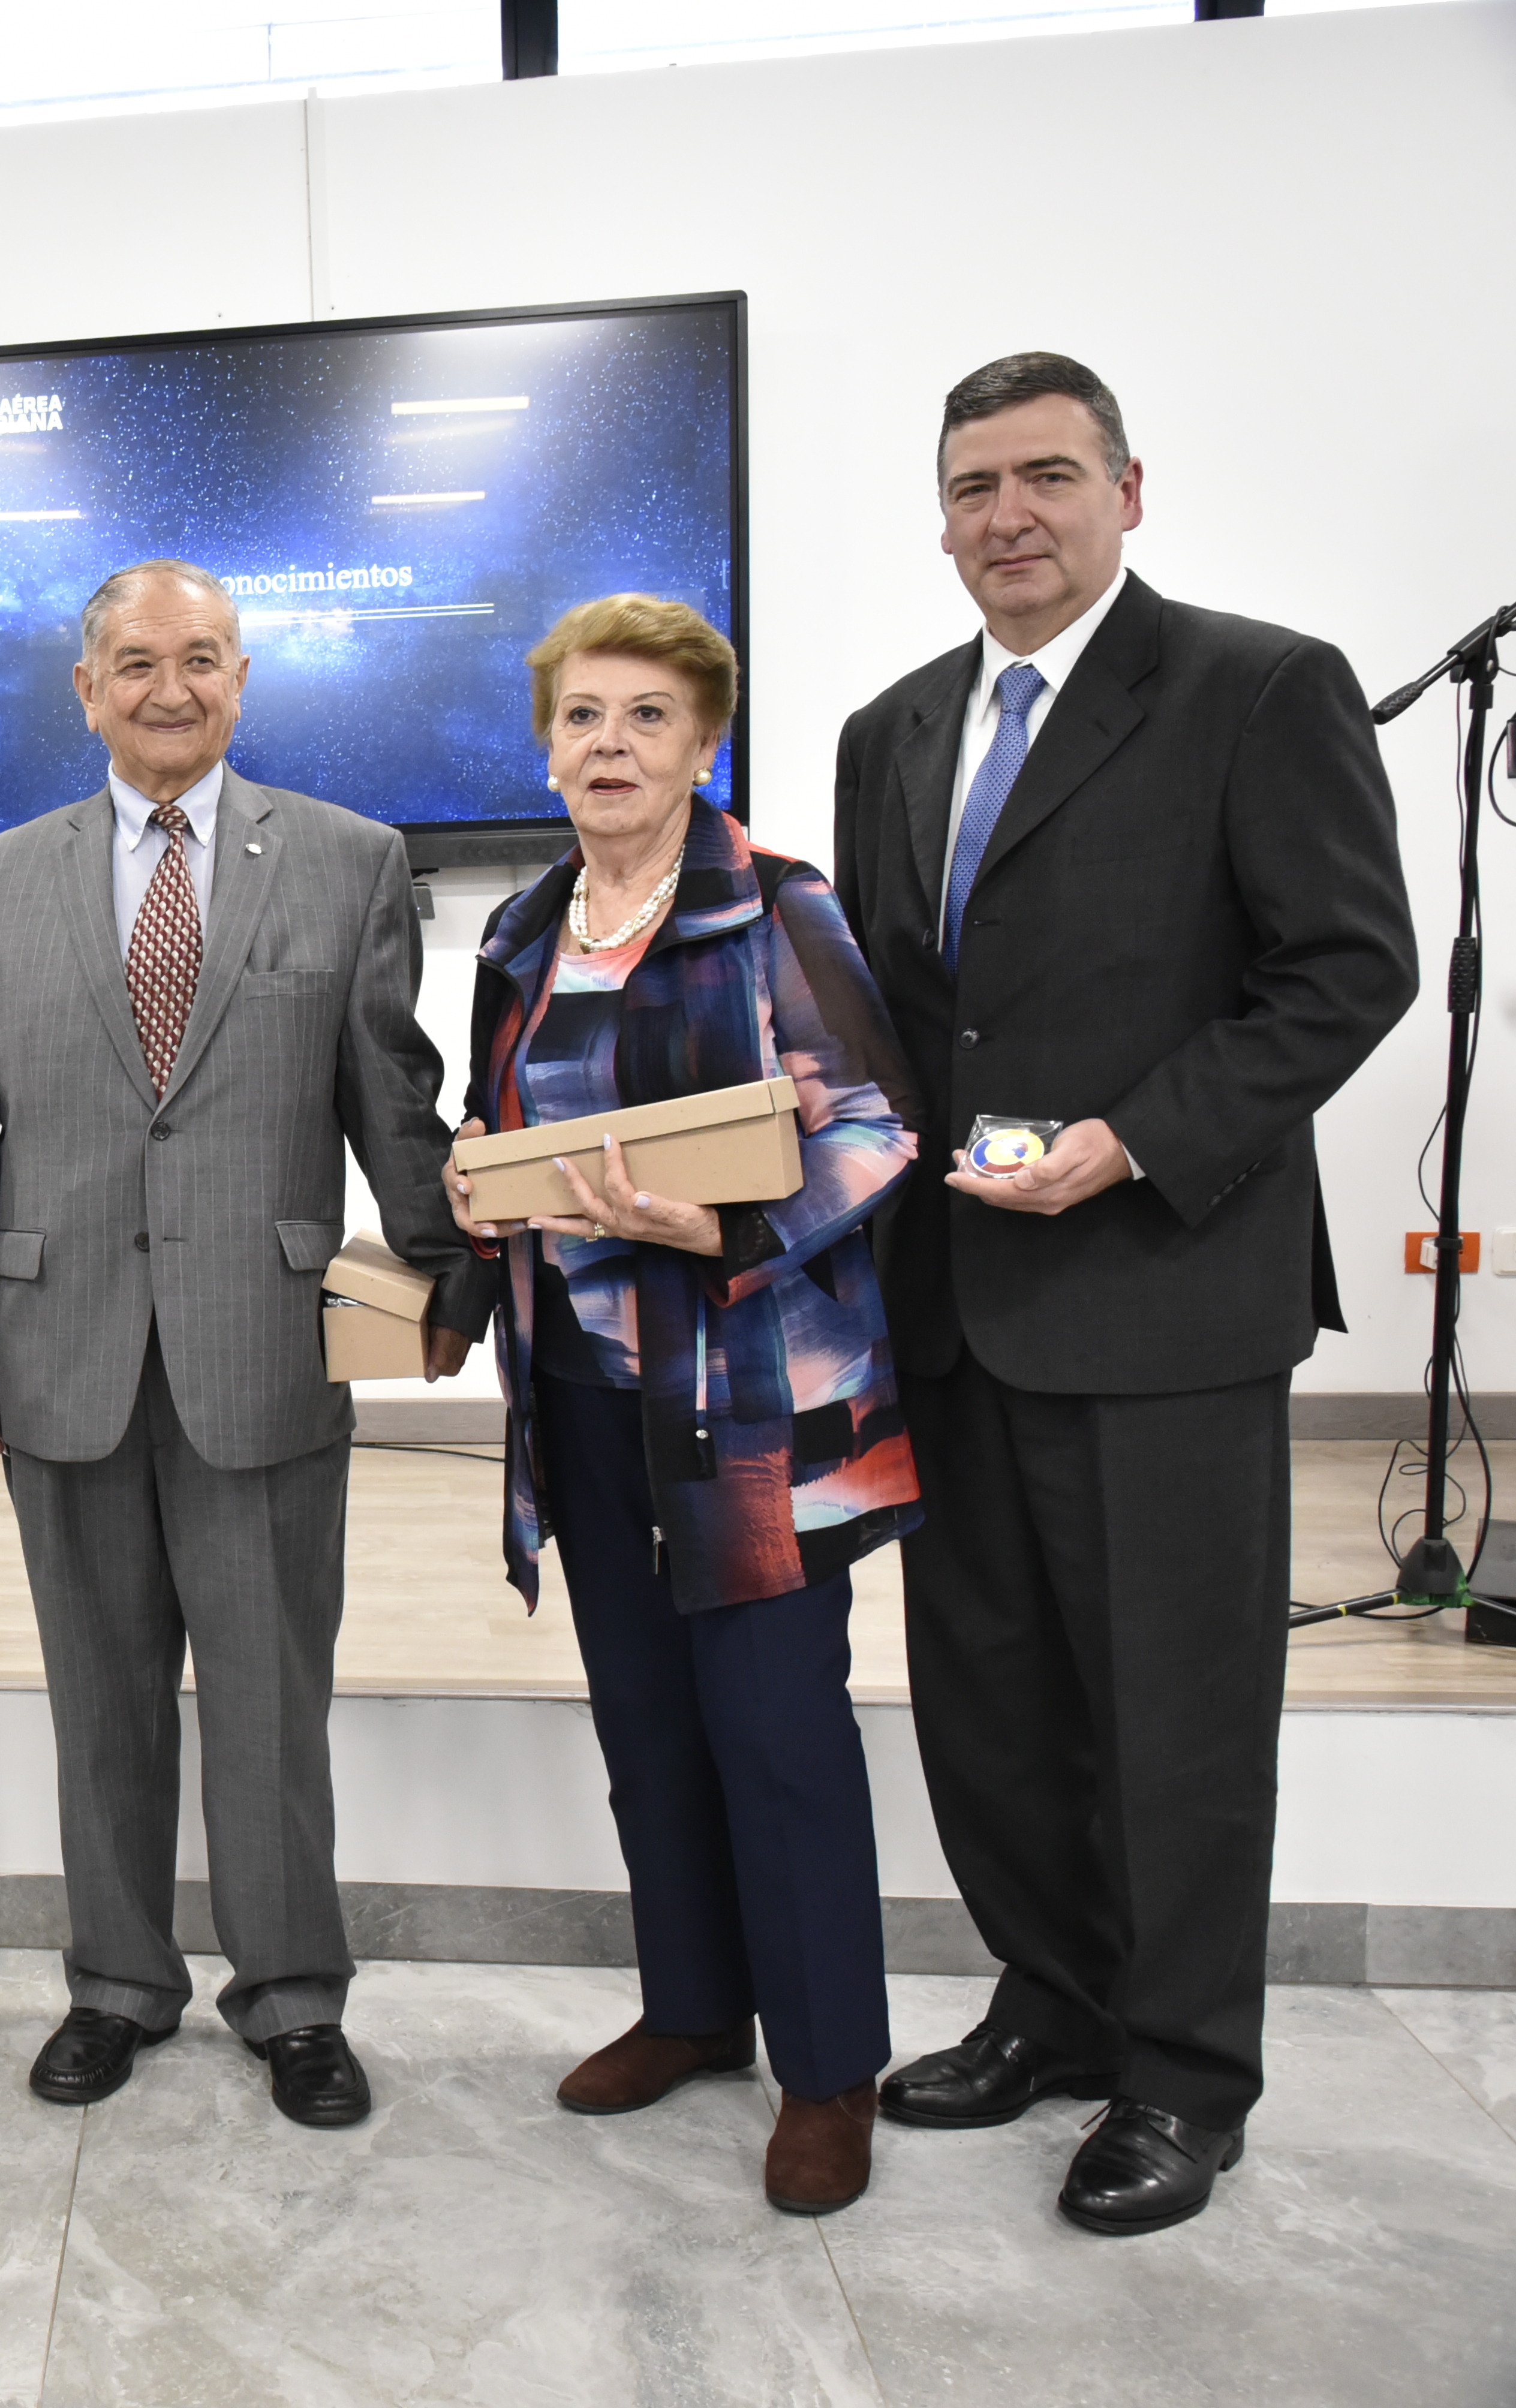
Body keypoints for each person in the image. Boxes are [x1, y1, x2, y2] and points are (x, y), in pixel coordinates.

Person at [834, 354, 1417, 2235]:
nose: (1010, 514)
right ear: (940, 517)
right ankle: (1055, 2003)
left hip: (1163, 1283)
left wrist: (1134, 1140)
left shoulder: (1259, 685)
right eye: (975, 484)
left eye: (1048, 477)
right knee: (988, 1697)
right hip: (955, 1301)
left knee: (1173, 1711)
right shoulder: (893, 730)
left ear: (1129, 492)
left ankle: (1182, 2077)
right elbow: (906, 1023)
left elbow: (1343, 969)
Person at [0, 559, 479, 2129]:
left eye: (205, 661)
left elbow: (391, 1100)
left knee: (269, 1699)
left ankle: (295, 1997)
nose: (173, 689)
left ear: (244, 680)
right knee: (97, 1697)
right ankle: (115, 1984)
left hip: (268, 1349)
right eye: (140, 664)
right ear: (84, 690)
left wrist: (448, 1284)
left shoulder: (350, 862)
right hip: (58, 1350)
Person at [438, 596, 921, 2214]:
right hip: (578, 1387)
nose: (612, 746)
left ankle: (831, 2069)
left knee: (776, 1732)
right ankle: (698, 2010)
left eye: (648, 718)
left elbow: (878, 1125)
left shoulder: (775, 909)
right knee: (647, 1725)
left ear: (703, 745)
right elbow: (492, 1124)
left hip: (752, 1395)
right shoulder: (517, 934)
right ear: (547, 743)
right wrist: (477, 1191)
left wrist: (714, 1229)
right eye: (583, 718)